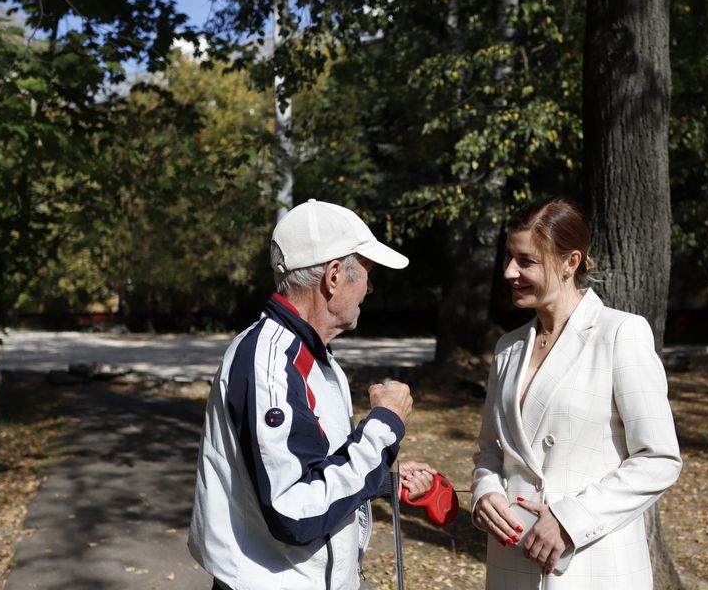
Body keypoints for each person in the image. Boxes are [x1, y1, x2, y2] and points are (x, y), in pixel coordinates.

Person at [189, 199, 435, 590]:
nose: (370, 287)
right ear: (334, 276)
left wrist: (380, 478)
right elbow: (293, 511)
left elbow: (309, 467)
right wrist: (384, 426)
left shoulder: (308, 355)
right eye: (367, 273)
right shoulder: (271, 362)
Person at [471, 197, 682, 589]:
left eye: (526, 261)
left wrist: (570, 520)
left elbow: (659, 459)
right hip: (512, 560)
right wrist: (485, 493)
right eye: (509, 257)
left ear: (571, 262)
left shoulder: (620, 333)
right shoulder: (508, 348)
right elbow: (490, 449)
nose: (509, 271)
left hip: (591, 564)